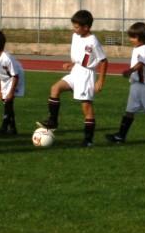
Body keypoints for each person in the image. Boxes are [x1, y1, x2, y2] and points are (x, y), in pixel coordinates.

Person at [37, 10, 108, 147]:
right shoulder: (76, 36)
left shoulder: (93, 41)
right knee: (55, 88)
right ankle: (53, 121)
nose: (74, 29)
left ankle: (88, 140)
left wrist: (100, 80)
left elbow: (104, 61)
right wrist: (72, 63)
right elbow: (81, 56)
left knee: (86, 107)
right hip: (76, 71)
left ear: (86, 27)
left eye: (76, 27)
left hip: (86, 75)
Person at [107, 22, 145, 144]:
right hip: (136, 85)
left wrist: (130, 70)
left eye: (133, 37)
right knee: (129, 110)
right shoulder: (138, 48)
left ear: (142, 37)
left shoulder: (144, 49)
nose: (131, 40)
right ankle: (121, 136)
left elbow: (141, 63)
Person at [0, 29, 25, 135]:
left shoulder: (6, 58)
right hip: (4, 79)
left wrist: (11, 92)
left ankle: (4, 127)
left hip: (15, 78)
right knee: (6, 103)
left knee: (8, 102)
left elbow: (15, 75)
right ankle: (13, 129)